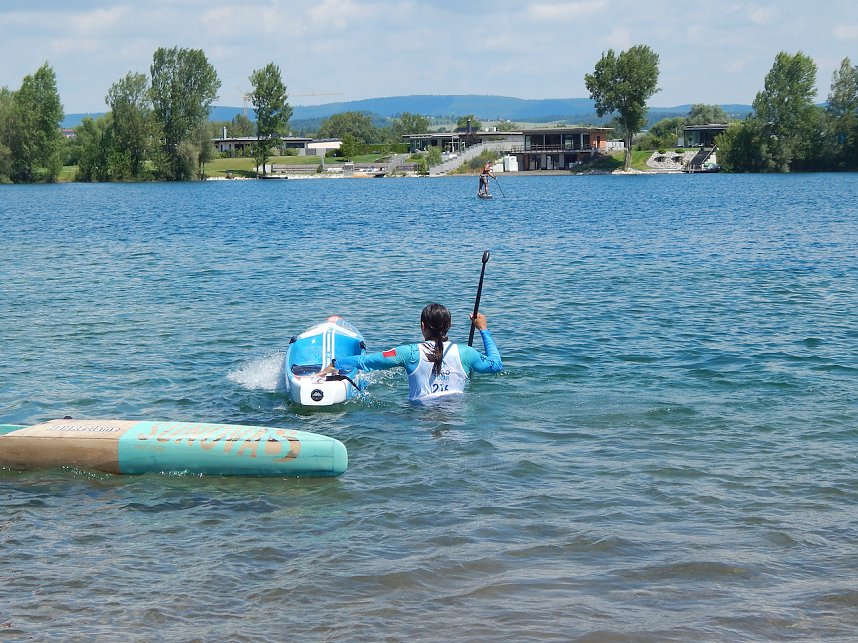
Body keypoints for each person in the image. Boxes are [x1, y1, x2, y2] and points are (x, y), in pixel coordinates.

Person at [317, 303, 502, 401]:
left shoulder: (409, 352)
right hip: (457, 415)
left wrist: (335, 364)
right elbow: (496, 365)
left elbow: (369, 361)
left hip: (420, 417)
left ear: (422, 326)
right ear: (450, 326)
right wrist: (483, 329)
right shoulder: (466, 353)